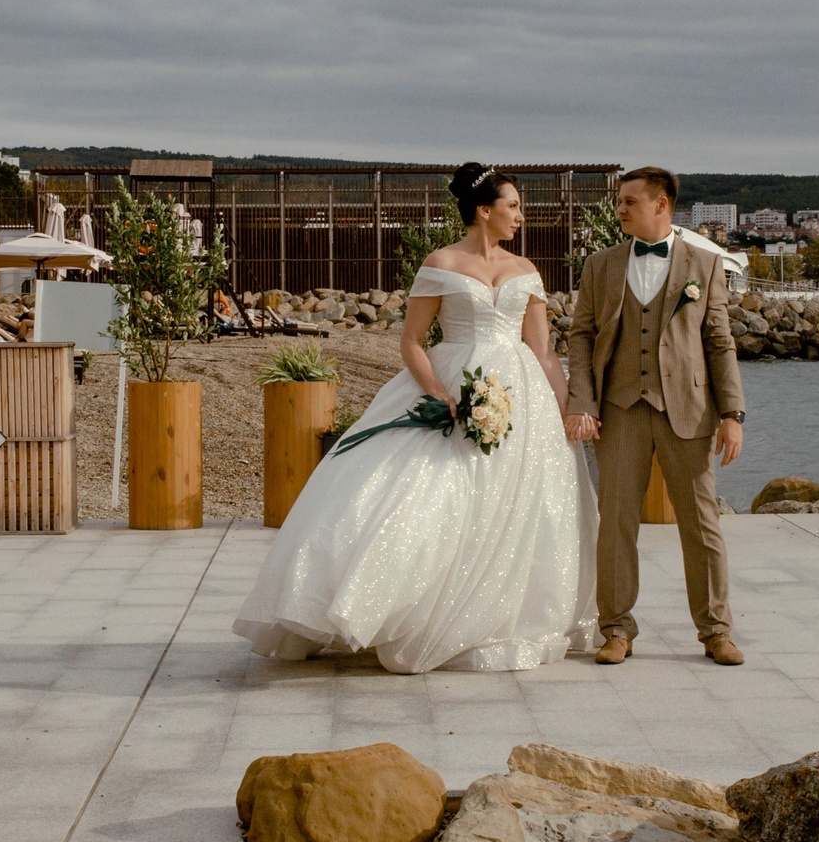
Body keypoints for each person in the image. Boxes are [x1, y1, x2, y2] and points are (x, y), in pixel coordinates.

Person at [233, 164, 597, 672]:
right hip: (454, 380)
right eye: (512, 206)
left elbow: (542, 351)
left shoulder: (525, 269)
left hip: (521, 395)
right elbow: (410, 340)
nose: (520, 216)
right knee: (433, 494)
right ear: (483, 210)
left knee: (516, 504)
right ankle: (400, 607)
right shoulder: (441, 262)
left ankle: (495, 615)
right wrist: (441, 394)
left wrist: (565, 409)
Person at [563, 166, 746, 665]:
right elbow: (580, 336)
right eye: (619, 201)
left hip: (687, 411)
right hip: (619, 411)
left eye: (628, 201)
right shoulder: (600, 265)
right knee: (616, 522)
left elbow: (719, 342)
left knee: (701, 523)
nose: (619, 209)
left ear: (660, 204)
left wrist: (732, 413)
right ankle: (616, 629)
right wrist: (582, 401)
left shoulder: (705, 265)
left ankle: (716, 631)